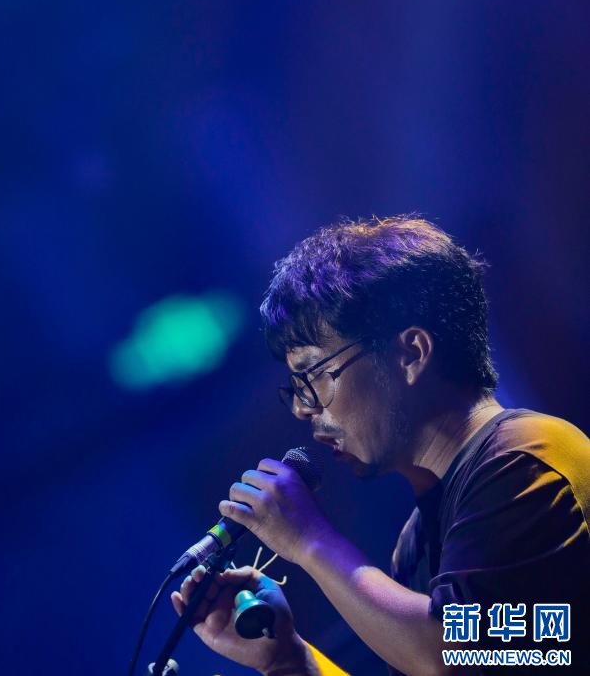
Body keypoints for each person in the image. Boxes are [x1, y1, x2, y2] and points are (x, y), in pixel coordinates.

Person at [171, 216, 590, 675]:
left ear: (411, 354)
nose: (303, 408)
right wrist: (290, 660)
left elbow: (450, 657)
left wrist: (309, 540)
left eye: (315, 374)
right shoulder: (416, 540)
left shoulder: (526, 460)